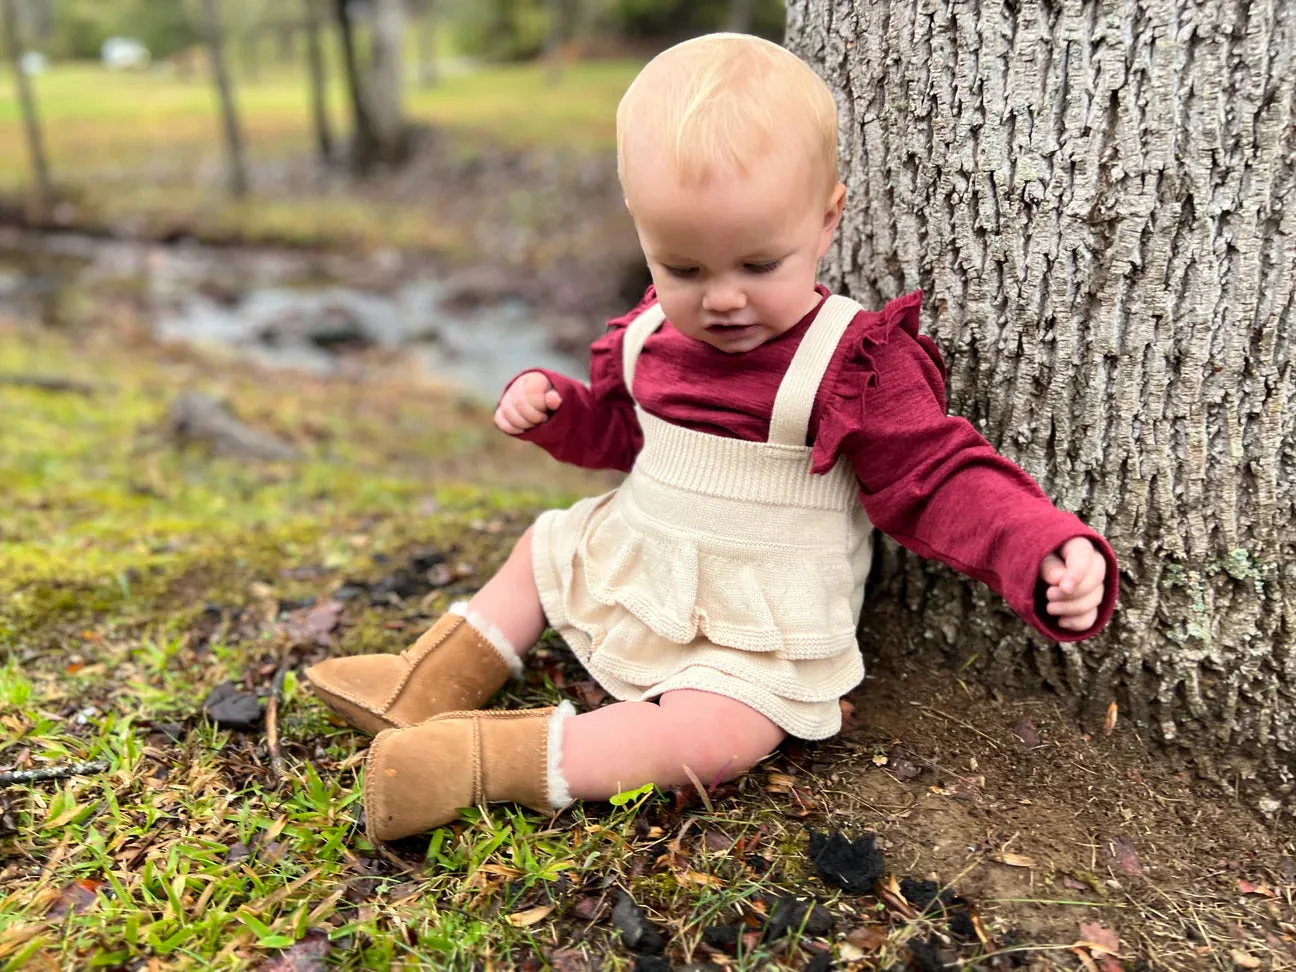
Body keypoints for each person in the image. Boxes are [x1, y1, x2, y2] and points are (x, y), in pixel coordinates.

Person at [306, 33, 1118, 842]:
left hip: (756, 615)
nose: (722, 300)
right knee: (544, 552)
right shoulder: (645, 336)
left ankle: (483, 761)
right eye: (684, 269)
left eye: (759, 265)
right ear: (644, 236)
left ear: (827, 220)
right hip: (643, 552)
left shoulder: (849, 362)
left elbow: (937, 475)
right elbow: (622, 433)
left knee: (719, 736)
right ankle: (427, 679)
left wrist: (1038, 546)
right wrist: (558, 409)